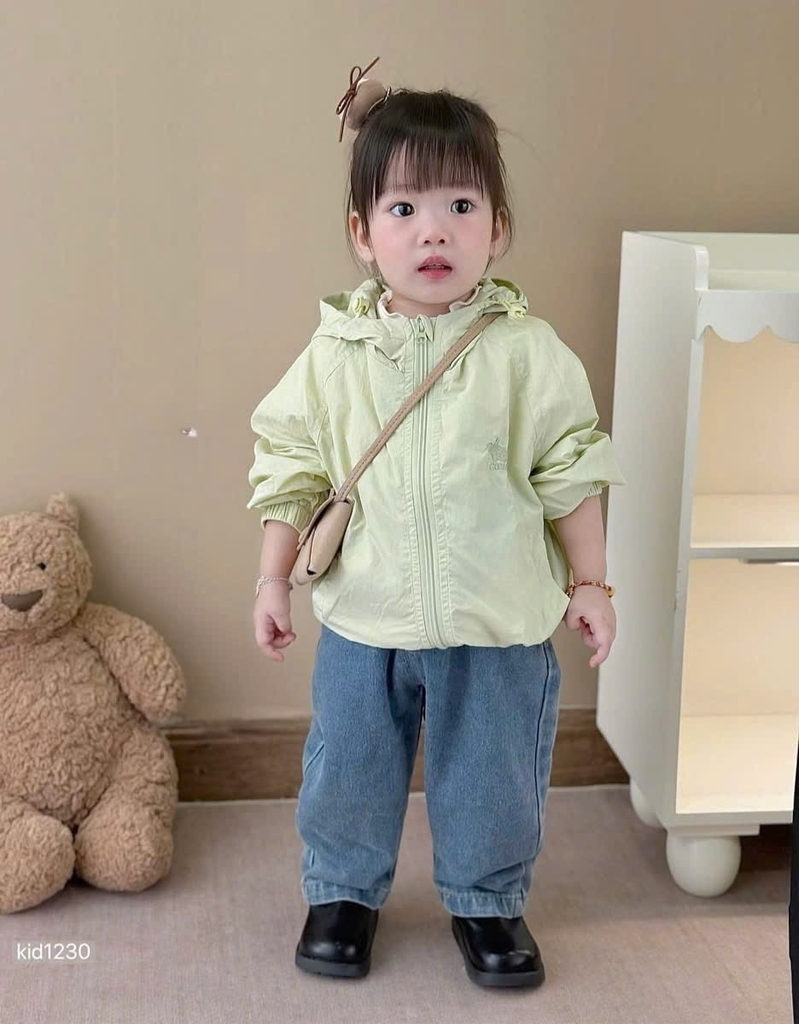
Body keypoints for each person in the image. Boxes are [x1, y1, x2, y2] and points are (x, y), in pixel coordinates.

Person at [247, 58, 625, 989]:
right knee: (347, 766)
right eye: (403, 208)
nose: (433, 231)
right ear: (362, 233)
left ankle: (487, 902)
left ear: (497, 228)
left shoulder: (528, 354)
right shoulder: (334, 355)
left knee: (494, 773)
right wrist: (271, 578)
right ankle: (341, 893)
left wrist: (589, 582)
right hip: (364, 617)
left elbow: (570, 469)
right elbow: (291, 466)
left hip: (496, 622)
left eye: (460, 205)